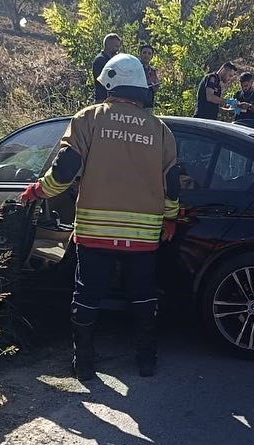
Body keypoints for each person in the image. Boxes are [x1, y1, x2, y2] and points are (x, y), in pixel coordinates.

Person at [19, 53, 181, 380]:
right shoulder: (159, 129)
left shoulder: (88, 119)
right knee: (143, 294)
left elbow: (64, 171)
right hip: (143, 235)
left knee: (87, 295)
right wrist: (170, 219)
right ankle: (146, 360)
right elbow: (172, 184)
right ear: (141, 89)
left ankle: (84, 364)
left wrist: (38, 191)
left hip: (95, 232)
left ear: (108, 83)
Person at [91, 33, 122, 102]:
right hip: (102, 99)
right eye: (116, 46)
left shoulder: (111, 60)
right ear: (108, 45)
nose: (117, 49)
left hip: (110, 99)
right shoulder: (100, 60)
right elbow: (102, 80)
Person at [139, 43, 160, 109]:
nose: (146, 55)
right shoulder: (135, 68)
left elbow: (155, 89)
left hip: (148, 105)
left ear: (152, 56)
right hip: (136, 104)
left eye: (149, 53)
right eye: (144, 53)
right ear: (140, 54)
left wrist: (155, 86)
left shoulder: (153, 71)